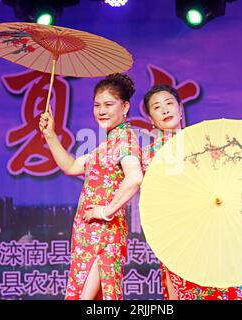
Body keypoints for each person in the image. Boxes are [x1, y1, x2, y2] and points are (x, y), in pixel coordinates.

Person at [141, 84, 242, 300]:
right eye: (157, 107)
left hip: (213, 224)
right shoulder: (149, 155)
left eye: (169, 104)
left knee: (227, 282)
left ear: (181, 109)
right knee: (183, 288)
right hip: (177, 233)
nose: (165, 110)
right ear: (150, 118)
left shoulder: (203, 142)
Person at [39, 73, 143, 300]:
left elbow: (135, 178)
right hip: (88, 233)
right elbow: (72, 166)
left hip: (106, 235)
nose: (101, 110)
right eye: (97, 105)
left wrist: (105, 211)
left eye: (108, 104)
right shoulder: (107, 145)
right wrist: (50, 135)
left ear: (125, 107)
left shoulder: (126, 139)